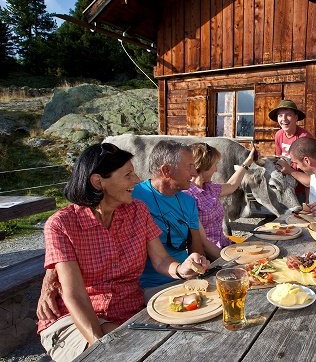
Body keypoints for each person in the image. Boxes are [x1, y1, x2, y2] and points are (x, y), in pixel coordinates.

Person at [37, 143, 209, 362]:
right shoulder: (61, 225)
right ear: (98, 182)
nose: (136, 180)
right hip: (75, 319)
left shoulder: (137, 210)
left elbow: (161, 260)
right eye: (128, 175)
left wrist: (182, 268)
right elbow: (75, 295)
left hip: (130, 312)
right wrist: (101, 346)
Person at [132, 140, 220, 291]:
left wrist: (197, 265)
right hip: (149, 286)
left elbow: (196, 247)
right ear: (166, 170)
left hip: (184, 279)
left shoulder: (189, 201)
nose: (194, 173)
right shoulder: (134, 196)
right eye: (189, 166)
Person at [184, 142, 255, 248]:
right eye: (214, 165)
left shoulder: (208, 188)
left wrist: (247, 162)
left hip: (223, 245)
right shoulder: (187, 196)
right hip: (210, 253)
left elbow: (231, 185)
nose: (216, 169)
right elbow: (200, 242)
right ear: (204, 166)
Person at [269, 99, 313, 198]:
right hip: (284, 189)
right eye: (280, 115)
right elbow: (279, 161)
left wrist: (308, 203)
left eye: (288, 115)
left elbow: (311, 176)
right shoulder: (279, 135)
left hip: (300, 190)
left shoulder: (304, 138)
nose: (283, 119)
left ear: (296, 117)